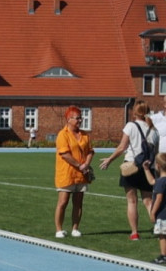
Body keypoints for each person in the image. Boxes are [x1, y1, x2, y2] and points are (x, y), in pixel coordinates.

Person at [99, 100, 160, 240]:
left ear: (134, 112)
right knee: (148, 201)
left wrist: (109, 159)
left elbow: (122, 147)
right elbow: (155, 152)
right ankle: (159, 228)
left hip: (131, 166)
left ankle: (134, 233)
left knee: (132, 201)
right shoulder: (153, 129)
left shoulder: (130, 126)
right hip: (148, 167)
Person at [53, 106, 94, 239]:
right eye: (77, 118)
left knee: (78, 202)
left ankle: (75, 228)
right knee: (63, 201)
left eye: (80, 118)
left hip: (81, 175)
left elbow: (90, 151)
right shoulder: (62, 134)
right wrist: (79, 165)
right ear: (68, 119)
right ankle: (59, 229)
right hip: (67, 173)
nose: (80, 120)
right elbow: (65, 154)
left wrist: (86, 164)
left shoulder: (85, 135)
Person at [142, 153, 166, 264]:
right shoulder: (161, 181)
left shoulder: (161, 182)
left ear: (158, 166)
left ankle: (163, 255)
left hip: (162, 214)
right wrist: (146, 169)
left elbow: (159, 198)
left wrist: (152, 213)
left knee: (162, 235)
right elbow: (152, 182)